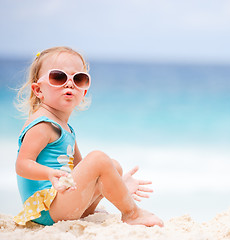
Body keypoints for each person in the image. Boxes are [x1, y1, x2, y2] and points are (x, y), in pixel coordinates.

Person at [13, 46, 163, 227]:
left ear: (83, 92)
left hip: (64, 201)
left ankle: (90, 209)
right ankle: (132, 213)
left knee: (112, 166)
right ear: (38, 90)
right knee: (99, 158)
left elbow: (82, 169)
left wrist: (118, 185)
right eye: (58, 77)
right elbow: (22, 165)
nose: (69, 84)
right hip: (46, 209)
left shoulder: (65, 128)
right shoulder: (43, 125)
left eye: (79, 79)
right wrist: (49, 173)